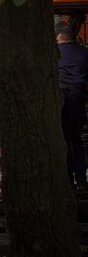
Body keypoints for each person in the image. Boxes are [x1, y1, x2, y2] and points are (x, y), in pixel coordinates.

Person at [56, 20, 88, 189]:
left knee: (63, 140)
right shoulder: (84, 53)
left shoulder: (54, 53)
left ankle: (68, 181)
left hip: (59, 101)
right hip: (77, 99)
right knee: (76, 138)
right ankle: (81, 179)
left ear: (61, 37)